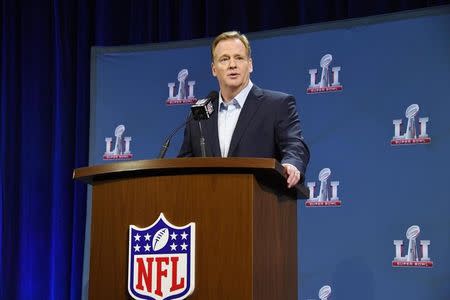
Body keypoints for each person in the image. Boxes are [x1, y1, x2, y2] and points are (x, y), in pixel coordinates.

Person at [178, 31, 309, 188]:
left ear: (250, 64)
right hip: (207, 205)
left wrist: (291, 164)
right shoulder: (200, 113)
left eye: (239, 58)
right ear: (214, 69)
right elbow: (184, 164)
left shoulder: (277, 104)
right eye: (224, 59)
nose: (232, 65)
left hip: (259, 204)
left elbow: (294, 145)